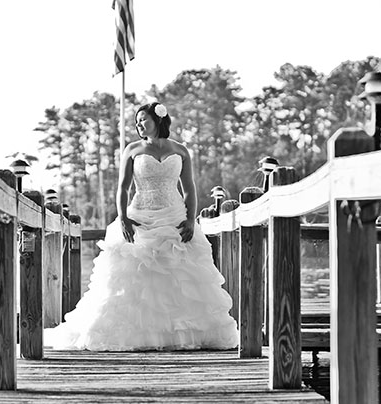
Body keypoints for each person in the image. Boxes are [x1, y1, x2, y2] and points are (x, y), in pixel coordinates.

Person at [44, 102, 239, 351]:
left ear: (159, 120)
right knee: (134, 275)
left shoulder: (180, 150)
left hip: (174, 217)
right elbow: (123, 188)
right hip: (140, 217)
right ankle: (135, 335)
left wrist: (190, 220)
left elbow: (189, 189)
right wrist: (124, 218)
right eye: (136, 121)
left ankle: (179, 334)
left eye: (143, 119)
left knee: (180, 276)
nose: (138, 124)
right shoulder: (133, 150)